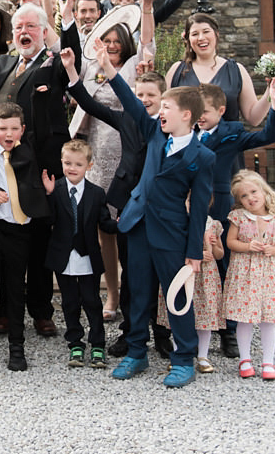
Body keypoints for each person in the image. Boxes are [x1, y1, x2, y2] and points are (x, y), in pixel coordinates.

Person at [97, 38, 214, 389]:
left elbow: (200, 209)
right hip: (137, 227)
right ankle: (136, 352)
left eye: (166, 107)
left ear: (187, 115)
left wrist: (194, 251)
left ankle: (183, 358)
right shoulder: (152, 133)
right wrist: (108, 69)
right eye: (159, 106)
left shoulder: (202, 156)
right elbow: (132, 103)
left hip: (173, 234)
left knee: (177, 299)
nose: (159, 112)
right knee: (138, 292)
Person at [61, 65, 173, 360]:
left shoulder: (170, 125)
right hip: (128, 202)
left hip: (160, 204)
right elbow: (89, 105)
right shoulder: (125, 118)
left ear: (163, 98)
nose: (145, 98)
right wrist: (73, 72)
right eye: (140, 94)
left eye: (151, 94)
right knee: (131, 271)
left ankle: (162, 333)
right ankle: (129, 331)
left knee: (161, 274)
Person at [68, 0, 159, 322]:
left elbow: (148, 41)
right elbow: (83, 96)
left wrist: (147, 7)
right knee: (102, 227)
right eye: (106, 42)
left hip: (127, 148)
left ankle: (137, 292)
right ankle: (113, 294)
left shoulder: (137, 65)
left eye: (116, 42)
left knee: (127, 225)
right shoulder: (93, 66)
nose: (111, 47)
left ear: (126, 44)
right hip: (96, 148)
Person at [0, 2, 70, 338]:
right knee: (6, 247)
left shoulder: (55, 63)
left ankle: (42, 311)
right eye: (19, 27)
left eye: (31, 26)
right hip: (2, 169)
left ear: (44, 31)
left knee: (39, 244)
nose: (24, 33)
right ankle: (4, 311)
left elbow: (68, 60)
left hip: (40, 169)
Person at [197, 78, 275, 358]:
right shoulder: (183, 129)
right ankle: (195, 330)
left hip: (219, 205)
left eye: (205, 112)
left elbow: (267, 136)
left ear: (221, 111)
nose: (200, 117)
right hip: (190, 205)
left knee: (224, 266)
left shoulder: (232, 132)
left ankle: (230, 331)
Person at [0, 99, 50, 371]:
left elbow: (43, 132)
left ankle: (17, 347)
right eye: (2, 128)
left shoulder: (28, 151)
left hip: (21, 230)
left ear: (22, 130)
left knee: (15, 287)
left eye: (14, 129)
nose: (8, 134)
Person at [42, 139, 119, 369]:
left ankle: (97, 344)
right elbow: (48, 221)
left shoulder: (96, 193)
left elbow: (105, 222)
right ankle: (75, 343)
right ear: (62, 163)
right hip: (64, 258)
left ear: (89, 165)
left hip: (87, 257)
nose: (72, 168)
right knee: (69, 303)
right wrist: (47, 196)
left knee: (93, 301)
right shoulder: (55, 190)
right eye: (67, 163)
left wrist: (121, 224)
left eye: (78, 164)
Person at [224, 170, 275, 381]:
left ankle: (268, 361)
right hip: (245, 273)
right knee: (245, 318)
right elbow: (230, 243)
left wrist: (273, 250)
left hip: (269, 274)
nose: (250, 198)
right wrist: (247, 246)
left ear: (263, 191)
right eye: (244, 196)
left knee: (268, 319)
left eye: (253, 192)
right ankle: (245, 359)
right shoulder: (238, 217)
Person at [155, 200, 224, 374]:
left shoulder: (213, 224)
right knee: (181, 310)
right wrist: (196, 253)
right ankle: (180, 350)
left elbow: (220, 254)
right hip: (184, 272)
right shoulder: (178, 223)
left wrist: (213, 245)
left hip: (206, 275)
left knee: (205, 315)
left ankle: (203, 355)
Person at [166, 13, 272, 127]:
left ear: (216, 34)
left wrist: (270, 92)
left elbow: (253, 118)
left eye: (206, 32)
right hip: (186, 143)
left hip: (227, 142)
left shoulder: (236, 70)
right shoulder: (176, 70)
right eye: (195, 34)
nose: (201, 38)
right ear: (188, 39)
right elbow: (161, 112)